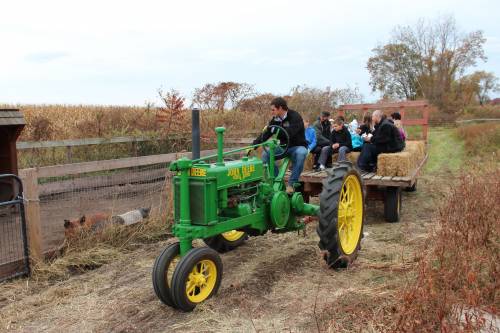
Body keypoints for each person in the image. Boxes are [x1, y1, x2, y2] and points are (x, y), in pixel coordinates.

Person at [253, 97, 308, 193]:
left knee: (302, 153)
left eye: (273, 109)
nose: (272, 112)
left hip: (297, 147)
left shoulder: (295, 117)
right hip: (283, 147)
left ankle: (292, 184)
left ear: (281, 108)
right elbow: (266, 133)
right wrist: (254, 145)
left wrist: (274, 129)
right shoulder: (275, 119)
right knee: (266, 155)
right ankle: (277, 181)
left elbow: (290, 133)